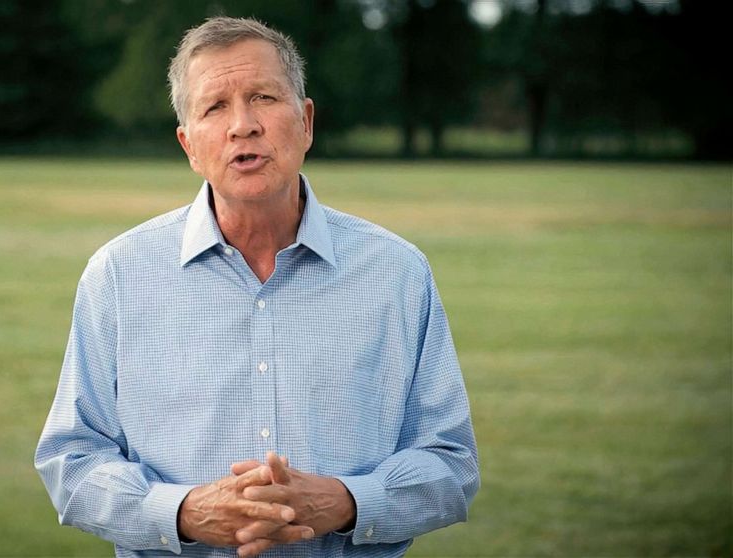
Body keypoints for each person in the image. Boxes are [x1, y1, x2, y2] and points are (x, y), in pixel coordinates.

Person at [35, 16, 479, 558]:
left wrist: (346, 502)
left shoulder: (397, 272)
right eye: (214, 107)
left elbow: (450, 463)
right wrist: (182, 513)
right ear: (188, 145)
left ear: (307, 121)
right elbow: (73, 460)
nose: (242, 125)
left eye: (263, 97)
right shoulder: (119, 275)